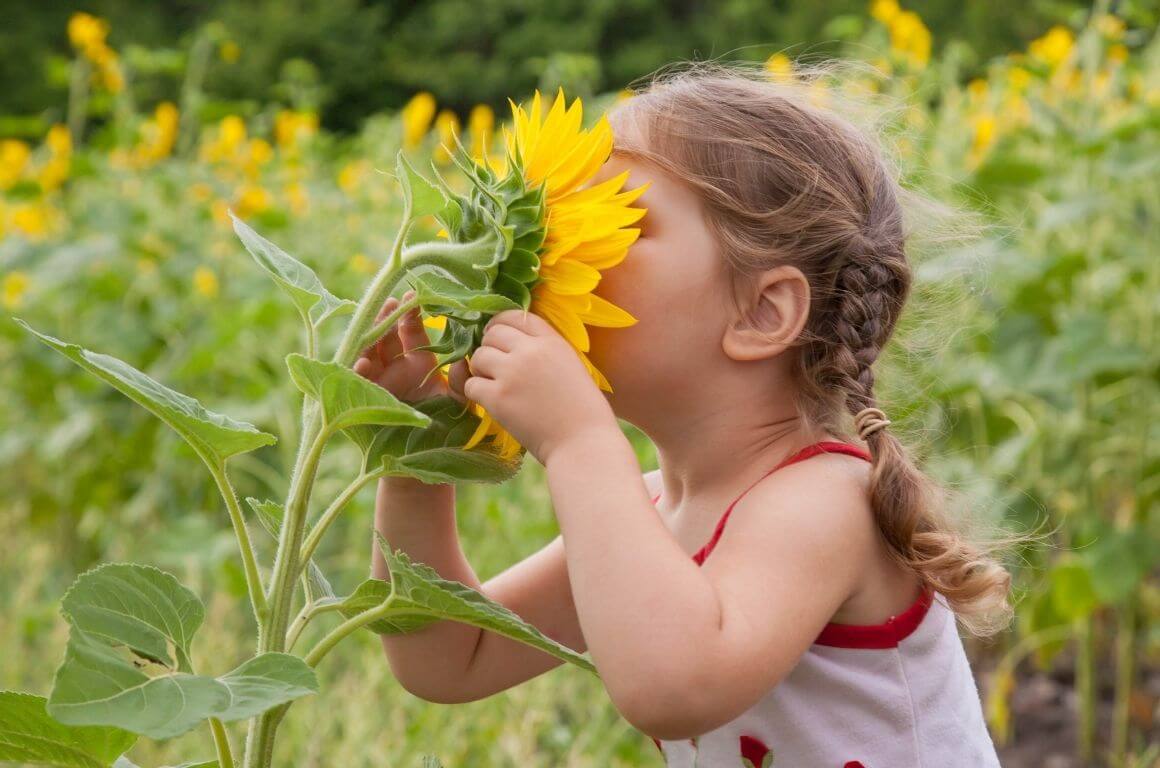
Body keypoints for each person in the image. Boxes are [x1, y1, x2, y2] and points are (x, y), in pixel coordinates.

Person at [355, 60, 1015, 767]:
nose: (556, 248)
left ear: (762, 312)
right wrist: (419, 451)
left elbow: (674, 687)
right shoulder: (652, 509)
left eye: (621, 219)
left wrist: (581, 444)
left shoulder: (825, 505)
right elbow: (453, 657)